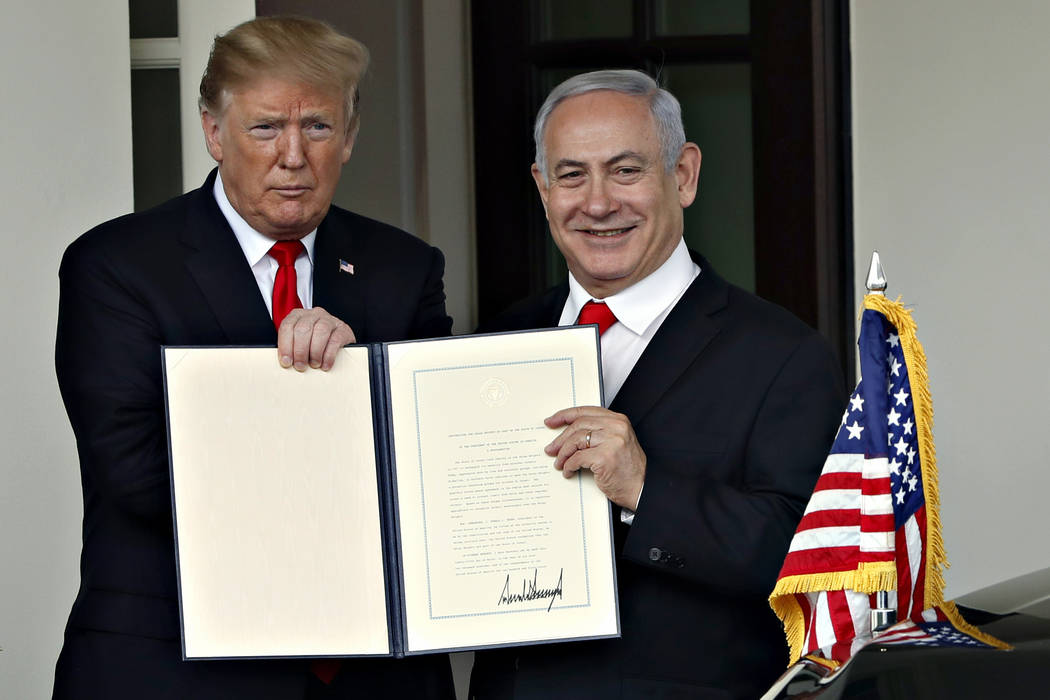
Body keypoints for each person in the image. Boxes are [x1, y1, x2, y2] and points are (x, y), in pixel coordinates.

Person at [52, 16, 454, 700]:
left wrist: (359, 375)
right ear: (214, 132)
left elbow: (432, 465)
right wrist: (331, 404)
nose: (293, 156)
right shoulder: (116, 267)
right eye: (266, 127)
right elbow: (140, 475)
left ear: (350, 137)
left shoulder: (404, 269)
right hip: (173, 671)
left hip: (376, 677)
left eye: (319, 128)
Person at [468, 70, 845, 699]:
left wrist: (645, 490)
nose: (597, 203)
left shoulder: (784, 355)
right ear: (541, 188)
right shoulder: (498, 342)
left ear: (684, 175)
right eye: (571, 175)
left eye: (625, 171)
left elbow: (812, 562)